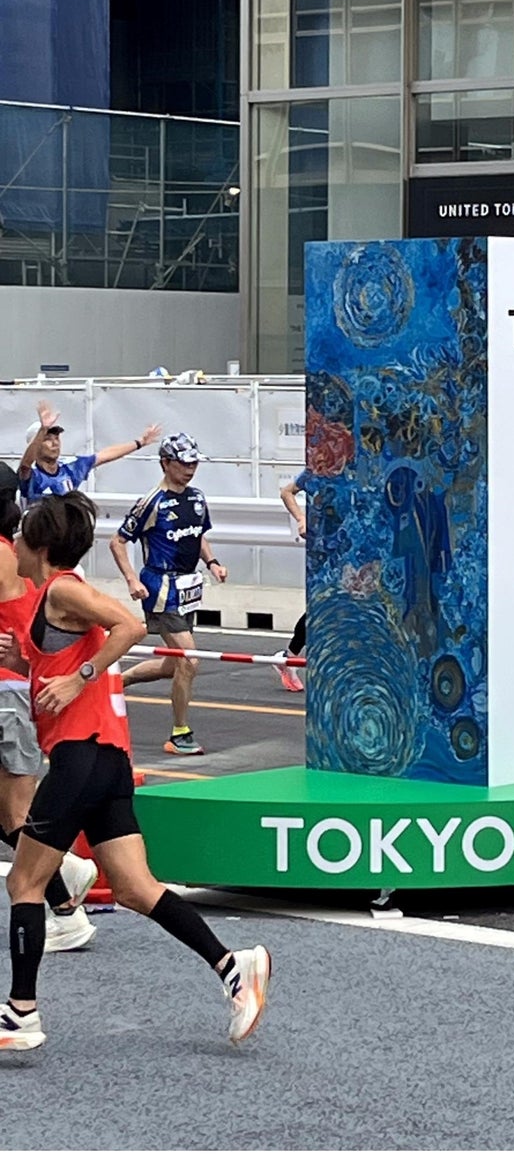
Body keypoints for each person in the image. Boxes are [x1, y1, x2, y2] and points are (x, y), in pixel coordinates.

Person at [0, 492, 270, 1052]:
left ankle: (21, 1012)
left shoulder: (64, 589)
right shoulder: (48, 601)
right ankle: (233, 967)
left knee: (23, 882)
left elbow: (129, 625)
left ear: (41, 548)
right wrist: (22, 660)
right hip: (106, 760)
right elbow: (58, 661)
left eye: (21, 538)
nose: (14, 546)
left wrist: (81, 678)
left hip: (80, 756)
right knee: (133, 888)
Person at [0, 494, 98, 954]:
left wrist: (82, 675)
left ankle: (62, 901)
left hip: (8, 692)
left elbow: (126, 626)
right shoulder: (18, 555)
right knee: (11, 811)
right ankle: (65, 877)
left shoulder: (10, 554)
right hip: (15, 687)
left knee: (16, 813)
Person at [109, 433, 227, 756]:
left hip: (188, 587)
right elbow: (117, 541)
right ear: (165, 463)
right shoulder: (152, 502)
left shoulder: (197, 498)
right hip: (160, 588)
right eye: (184, 463)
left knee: (172, 664)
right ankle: (179, 733)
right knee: (189, 660)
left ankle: (117, 682)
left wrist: (213, 563)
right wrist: (132, 579)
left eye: (194, 463)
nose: (190, 469)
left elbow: (198, 536)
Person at [19, 400, 161, 503]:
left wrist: (139, 442)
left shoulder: (70, 468)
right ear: (36, 444)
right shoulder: (32, 475)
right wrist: (43, 429)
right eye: (47, 439)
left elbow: (104, 455)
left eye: (57, 438)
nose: (55, 443)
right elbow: (25, 464)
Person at [275, 471, 307, 693]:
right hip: (328, 548)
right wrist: (301, 518)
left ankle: (288, 657)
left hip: (364, 546)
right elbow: (287, 492)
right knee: (321, 608)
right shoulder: (321, 467)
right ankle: (289, 658)